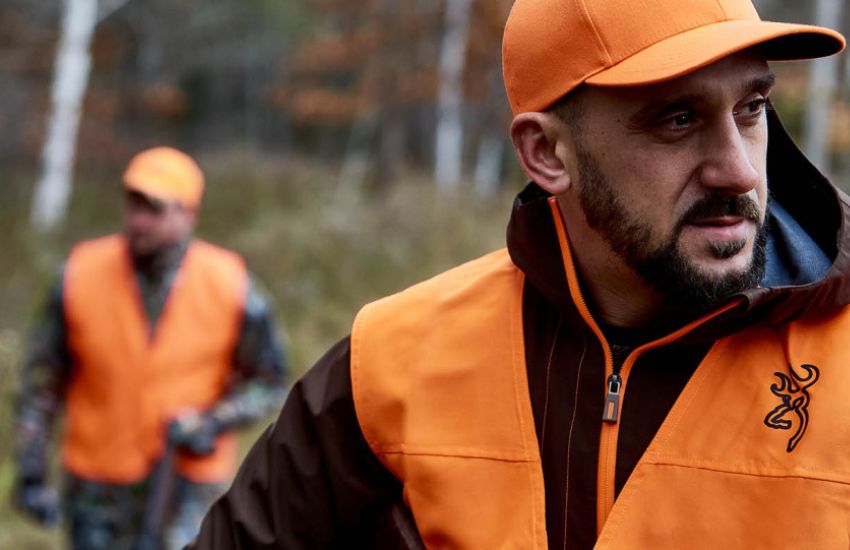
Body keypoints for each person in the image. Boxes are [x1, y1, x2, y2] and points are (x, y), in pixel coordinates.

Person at [193, 0, 850, 547]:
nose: (738, 169)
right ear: (546, 154)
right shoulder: (394, 364)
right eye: (678, 120)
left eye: (752, 108)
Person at [13, 146, 288, 550]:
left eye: (155, 209)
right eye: (134, 205)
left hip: (187, 489)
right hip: (97, 487)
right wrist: (31, 470)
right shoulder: (79, 275)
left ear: (189, 215)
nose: (140, 221)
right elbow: (42, 381)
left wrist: (211, 421)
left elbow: (269, 381)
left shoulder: (232, 286)